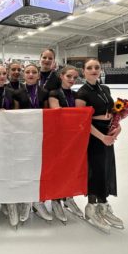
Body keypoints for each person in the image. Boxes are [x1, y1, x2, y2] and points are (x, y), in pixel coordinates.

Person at [76, 58, 122, 233]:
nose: (94, 70)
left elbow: (113, 113)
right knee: (95, 171)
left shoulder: (105, 88)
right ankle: (91, 207)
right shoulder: (81, 94)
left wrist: (118, 128)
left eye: (96, 67)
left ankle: (103, 204)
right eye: (89, 68)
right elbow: (82, 123)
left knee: (106, 168)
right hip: (94, 136)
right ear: (84, 71)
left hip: (108, 135)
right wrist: (102, 137)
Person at [12, 64, 52, 222]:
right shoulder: (17, 93)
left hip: (39, 136)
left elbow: (48, 115)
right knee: (23, 168)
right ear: (23, 75)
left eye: (34, 72)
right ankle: (24, 200)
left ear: (38, 76)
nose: (30, 74)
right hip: (22, 137)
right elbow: (14, 115)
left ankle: (37, 201)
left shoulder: (44, 92)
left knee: (38, 168)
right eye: (27, 72)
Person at [48, 66, 85, 223]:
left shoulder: (76, 95)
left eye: (75, 77)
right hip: (58, 138)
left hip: (73, 139)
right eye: (69, 76)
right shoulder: (54, 93)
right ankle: (56, 200)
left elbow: (81, 116)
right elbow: (57, 113)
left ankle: (68, 196)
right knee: (58, 169)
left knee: (70, 169)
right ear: (61, 76)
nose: (72, 80)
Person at [0, 65, 18, 227]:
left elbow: (17, 114)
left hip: (8, 136)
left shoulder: (12, 92)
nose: (1, 76)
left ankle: (10, 202)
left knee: (9, 168)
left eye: (3, 74)